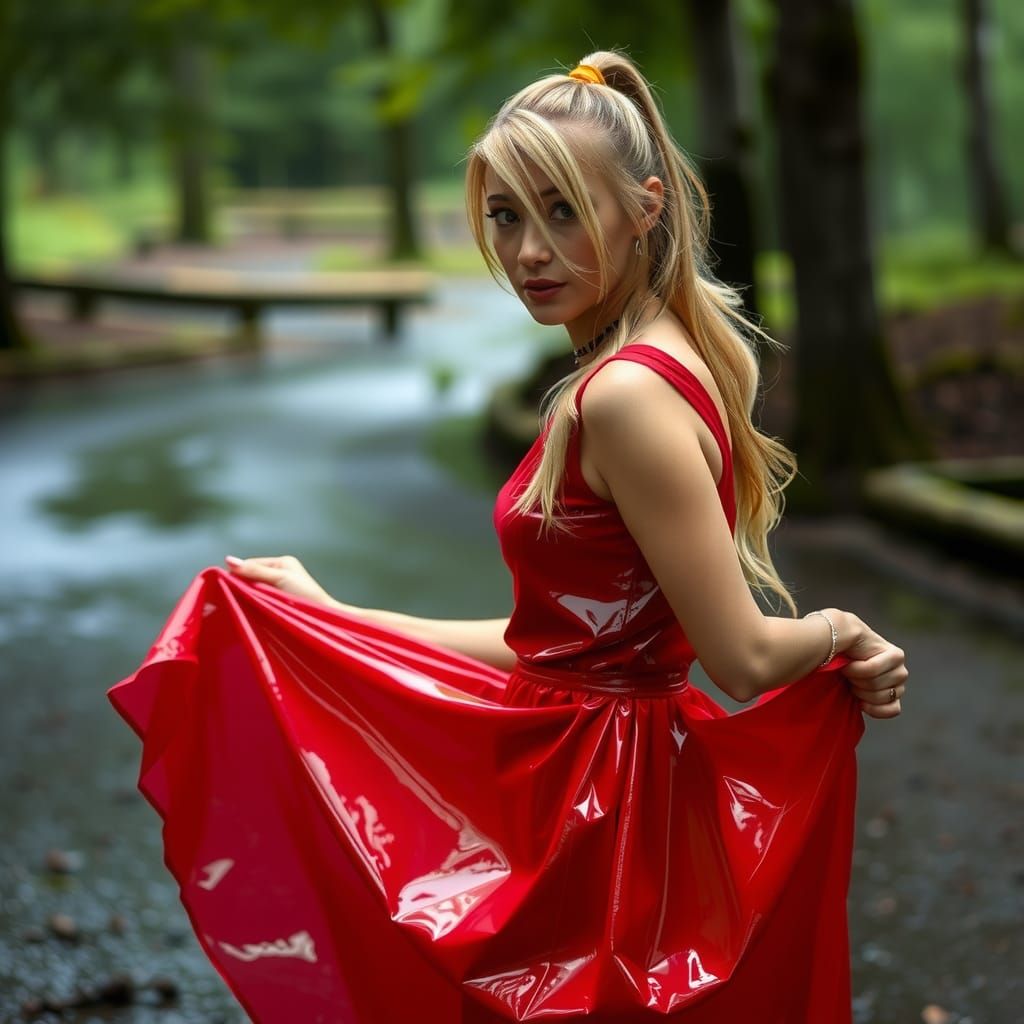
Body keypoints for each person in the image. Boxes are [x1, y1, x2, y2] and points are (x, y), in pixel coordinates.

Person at [109, 50, 909, 1024]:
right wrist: (337, 620)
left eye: (563, 211)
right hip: (589, 784)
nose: (530, 250)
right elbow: (558, 644)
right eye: (506, 215)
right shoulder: (642, 365)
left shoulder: (623, 396)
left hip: (600, 810)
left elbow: (739, 659)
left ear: (645, 207)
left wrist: (836, 630)